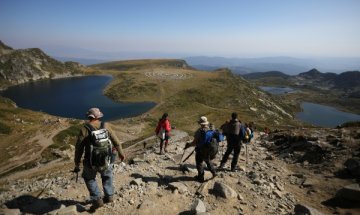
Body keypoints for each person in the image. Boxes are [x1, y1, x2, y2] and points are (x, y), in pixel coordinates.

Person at [74, 108, 125, 209]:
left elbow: (79, 148)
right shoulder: (106, 125)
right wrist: (121, 153)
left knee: (89, 178)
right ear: (98, 117)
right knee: (107, 176)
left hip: (90, 161)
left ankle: (97, 199)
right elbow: (116, 141)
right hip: (106, 158)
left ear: (89, 117)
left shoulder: (85, 129)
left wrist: (77, 162)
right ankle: (109, 196)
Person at [185, 116, 216, 182]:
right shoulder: (211, 129)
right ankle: (214, 172)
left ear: (200, 123)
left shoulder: (200, 131)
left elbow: (194, 142)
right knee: (208, 160)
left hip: (201, 149)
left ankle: (200, 177)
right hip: (209, 148)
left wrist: (189, 145)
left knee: (199, 162)